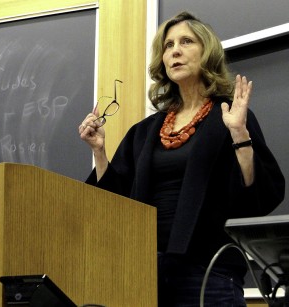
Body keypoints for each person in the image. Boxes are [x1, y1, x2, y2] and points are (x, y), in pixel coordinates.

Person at [79, 11, 285, 307]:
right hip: (144, 271)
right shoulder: (145, 131)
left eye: (186, 41)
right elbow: (114, 202)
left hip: (209, 271)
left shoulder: (230, 117)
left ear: (206, 52)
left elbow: (260, 198)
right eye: (168, 45)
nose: (174, 50)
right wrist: (99, 151)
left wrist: (240, 134)